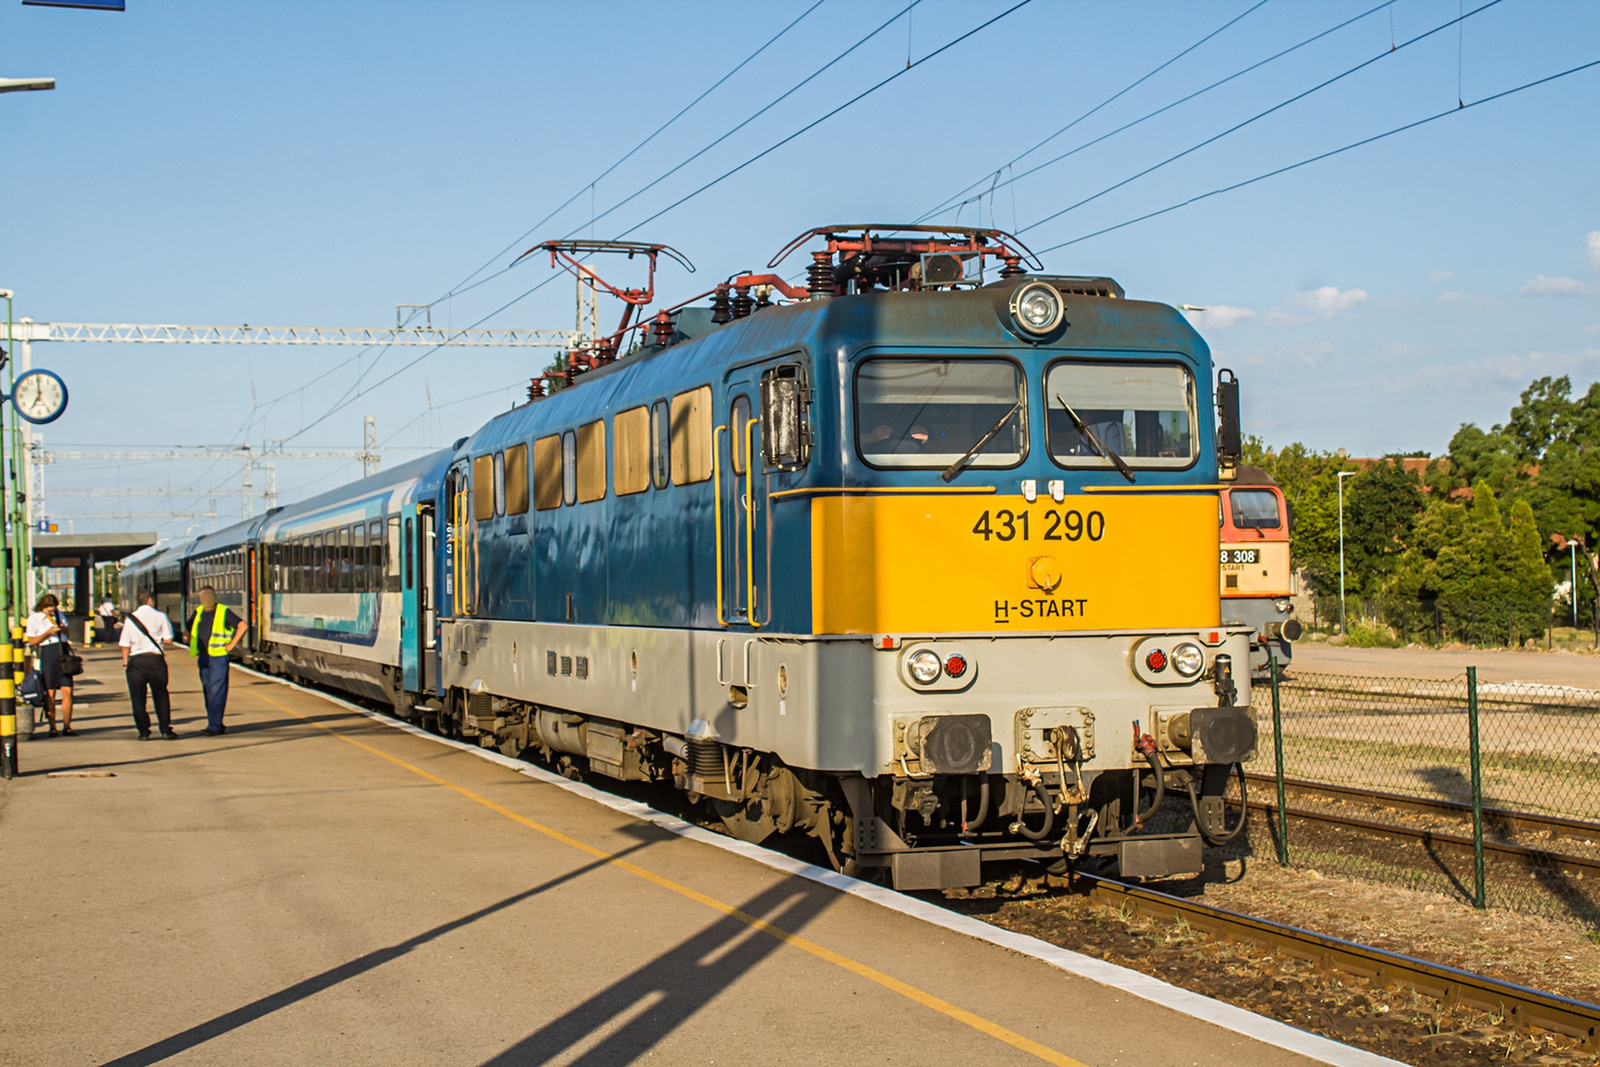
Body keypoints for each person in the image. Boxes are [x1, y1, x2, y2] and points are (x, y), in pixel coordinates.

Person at [188, 586, 246, 736]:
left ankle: (214, 725)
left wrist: (231, 645)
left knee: (216, 691)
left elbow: (242, 625)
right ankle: (215, 723)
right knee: (208, 690)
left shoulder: (222, 611)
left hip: (218, 657)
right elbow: (188, 627)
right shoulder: (199, 611)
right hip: (203, 657)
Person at [122, 589, 176, 740]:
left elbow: (125, 644)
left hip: (136, 662)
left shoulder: (130, 619)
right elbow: (168, 639)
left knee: (138, 698)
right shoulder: (160, 616)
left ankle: (143, 731)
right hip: (155, 660)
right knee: (161, 695)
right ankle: (165, 729)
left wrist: (126, 664)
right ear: (150, 600)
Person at [25, 593, 75, 737]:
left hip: (62, 650)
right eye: (49, 610)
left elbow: (68, 632)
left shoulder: (60, 615)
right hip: (47, 651)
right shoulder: (34, 619)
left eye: (54, 609)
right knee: (50, 692)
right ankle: (52, 726)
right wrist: (47, 633)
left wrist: (62, 629)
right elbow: (32, 641)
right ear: (42, 608)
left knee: (67, 690)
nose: (52, 612)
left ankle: (67, 726)